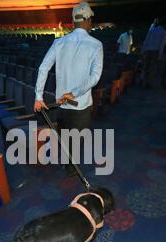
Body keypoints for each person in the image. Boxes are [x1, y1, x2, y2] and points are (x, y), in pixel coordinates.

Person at [34, 2, 104, 177]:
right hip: (80, 105)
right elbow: (94, 78)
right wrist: (74, 93)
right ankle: (70, 168)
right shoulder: (96, 45)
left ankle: (67, 162)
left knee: (65, 135)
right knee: (76, 139)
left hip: (61, 104)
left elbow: (43, 68)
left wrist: (38, 96)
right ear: (88, 20)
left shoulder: (59, 42)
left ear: (73, 22)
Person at [140, 18, 166, 88]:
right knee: (151, 67)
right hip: (154, 51)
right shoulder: (162, 31)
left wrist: (143, 50)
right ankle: (147, 82)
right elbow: (162, 44)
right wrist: (160, 55)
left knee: (146, 66)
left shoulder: (152, 29)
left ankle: (143, 80)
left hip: (150, 50)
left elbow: (146, 40)